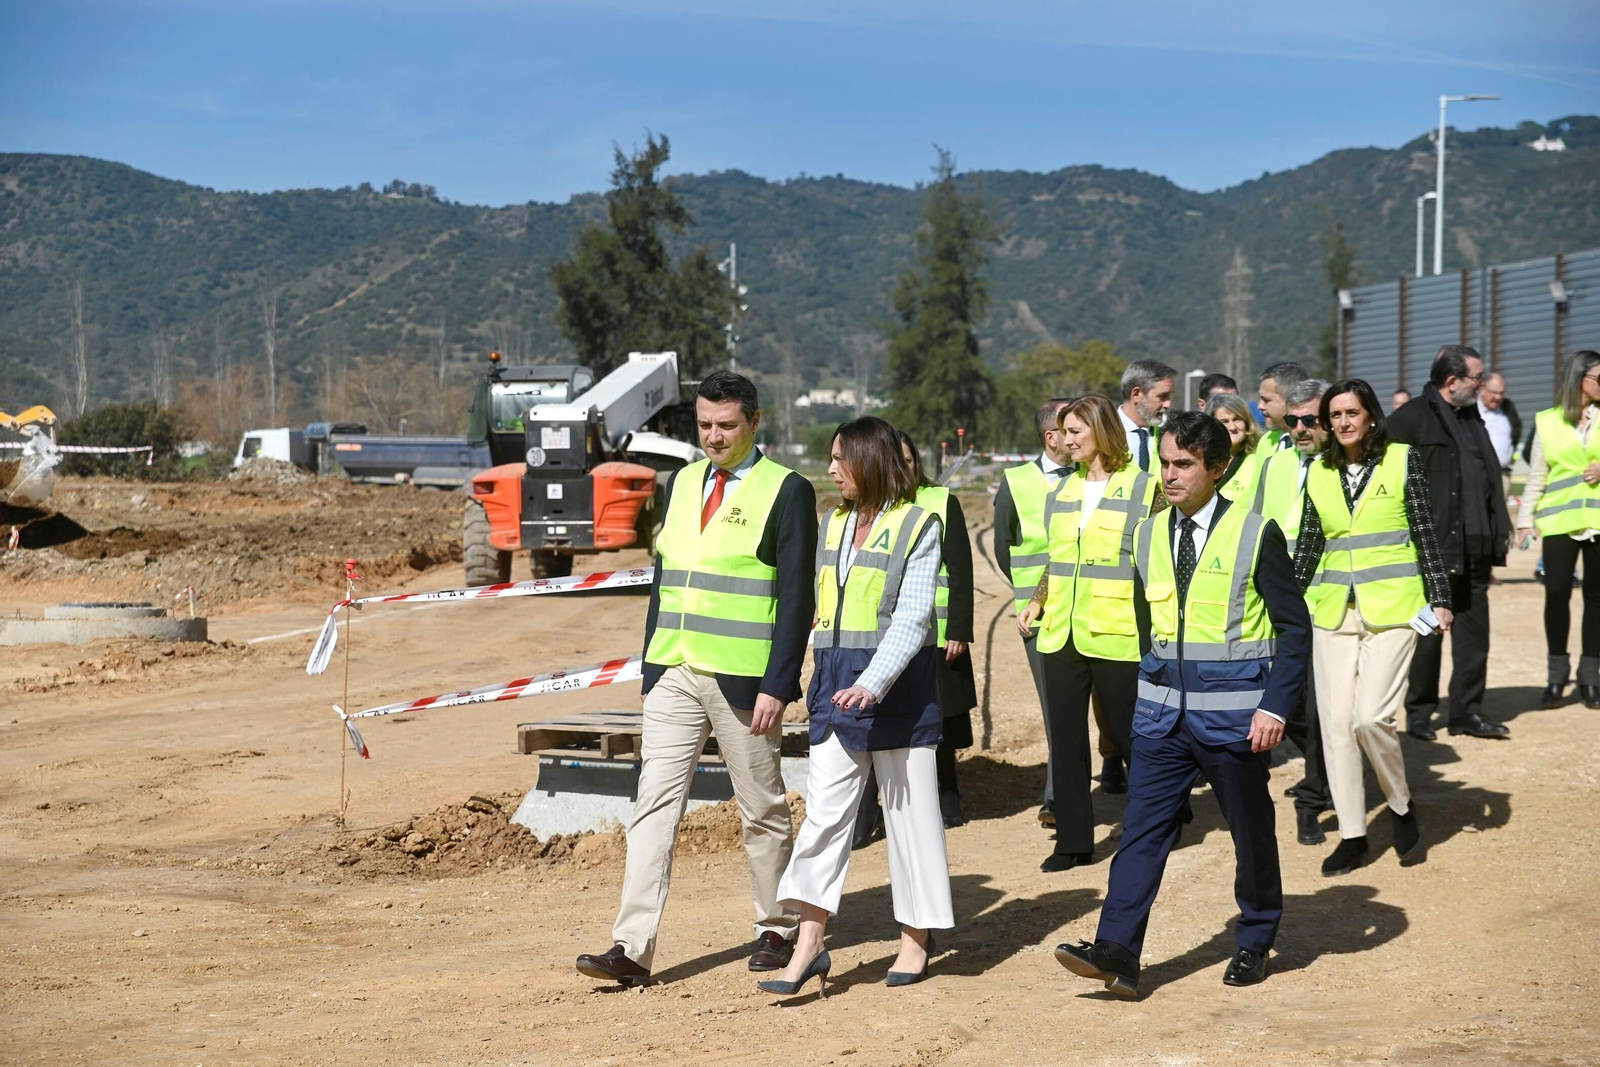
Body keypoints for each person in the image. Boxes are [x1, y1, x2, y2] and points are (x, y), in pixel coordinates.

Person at [1054, 412, 1311, 998]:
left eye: (1184, 465)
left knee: (1250, 832)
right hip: (1161, 719)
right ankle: (1117, 951)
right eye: (1165, 463)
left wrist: (1274, 708)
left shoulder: (1255, 533)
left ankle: (1255, 939)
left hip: (1236, 719)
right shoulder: (1147, 535)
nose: (1169, 475)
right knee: (1141, 832)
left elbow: (1295, 629)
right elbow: (1150, 625)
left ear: (1217, 469)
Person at [577, 370, 817, 987]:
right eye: (704, 424)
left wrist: (779, 684)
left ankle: (779, 928)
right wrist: (651, 666)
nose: (713, 436)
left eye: (726, 425)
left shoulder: (787, 490)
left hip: (744, 681)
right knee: (652, 806)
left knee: (761, 808)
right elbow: (667, 578)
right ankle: (631, 946)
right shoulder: (682, 482)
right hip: (675, 671)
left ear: (754, 422)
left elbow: (796, 598)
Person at [761, 416, 952, 997]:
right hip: (835, 690)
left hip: (898, 693)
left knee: (912, 821)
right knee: (823, 818)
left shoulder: (919, 524)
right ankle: (809, 944)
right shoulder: (833, 523)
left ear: (869, 460)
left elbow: (913, 617)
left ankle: (916, 939)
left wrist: (873, 683)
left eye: (840, 458)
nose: (831, 469)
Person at [1293, 379, 1453, 876]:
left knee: (1370, 719)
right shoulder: (1318, 471)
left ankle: (1400, 805)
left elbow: (1425, 532)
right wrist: (1285, 605)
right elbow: (1309, 545)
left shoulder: (1402, 460)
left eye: (1351, 412)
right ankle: (1352, 835)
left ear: (1371, 416)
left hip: (1395, 610)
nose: (1343, 422)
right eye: (1334, 415)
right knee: (1336, 725)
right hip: (1333, 612)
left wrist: (1440, 598)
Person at [1019, 395, 1160, 872]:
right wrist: (1038, 598)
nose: (1066, 440)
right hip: (1061, 632)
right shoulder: (1063, 490)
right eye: (1063, 431)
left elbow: (1160, 559)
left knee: (1126, 735)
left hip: (1118, 631)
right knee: (1066, 740)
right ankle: (1073, 842)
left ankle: (1158, 817)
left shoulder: (1145, 488)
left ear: (1101, 431)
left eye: (1076, 431)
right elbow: (1058, 558)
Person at [853, 430, 976, 836]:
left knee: (939, 718)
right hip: (882, 632)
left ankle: (947, 797)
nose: (903, 468)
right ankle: (871, 812)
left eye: (908, 460)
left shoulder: (940, 501)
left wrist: (959, 628)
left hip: (935, 632)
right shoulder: (871, 507)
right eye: (896, 461)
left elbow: (961, 569)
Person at [1388, 346, 1513, 741]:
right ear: (1452, 381)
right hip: (1435, 548)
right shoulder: (1411, 419)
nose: (1482, 384)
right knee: (1428, 636)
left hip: (1475, 545)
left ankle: (1466, 712)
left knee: (1475, 638)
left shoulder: (1471, 416)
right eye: (1477, 377)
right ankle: (1420, 713)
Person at [1250, 377, 1333, 846]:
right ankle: (1329, 772)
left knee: (1321, 707)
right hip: (1281, 604)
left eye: (1311, 420)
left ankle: (1313, 797)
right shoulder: (1275, 464)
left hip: (1330, 603)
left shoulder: (1343, 467)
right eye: (1295, 420)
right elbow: (1257, 525)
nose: (1301, 428)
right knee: (1293, 703)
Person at [993, 399, 1073, 826]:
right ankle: (1057, 799)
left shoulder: (1095, 477)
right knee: (1056, 708)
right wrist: (1030, 593)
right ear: (1051, 436)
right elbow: (1003, 547)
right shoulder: (1016, 481)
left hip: (1094, 609)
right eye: (1071, 426)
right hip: (1038, 616)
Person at [1516, 350, 1600, 710]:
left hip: (1598, 521)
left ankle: (1590, 678)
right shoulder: (1547, 421)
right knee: (1556, 594)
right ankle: (1556, 675)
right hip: (1558, 522)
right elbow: (1537, 476)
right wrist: (1525, 521)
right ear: (1579, 378)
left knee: (1596, 599)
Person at [1118, 359, 1177, 472]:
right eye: (1162, 396)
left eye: (1169, 396)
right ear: (1137, 394)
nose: (1168, 404)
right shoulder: (1101, 434)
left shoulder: (1167, 435)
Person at [1209, 392, 1265, 505]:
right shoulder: (1202, 460)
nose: (1232, 427)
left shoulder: (1259, 459)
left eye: (1237, 419)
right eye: (1224, 421)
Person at [1478, 372, 1517, 503]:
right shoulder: (1471, 409)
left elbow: (1516, 431)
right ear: (1482, 388)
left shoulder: (1507, 408)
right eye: (1494, 392)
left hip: (1503, 475)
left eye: (1502, 393)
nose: (1498, 397)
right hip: (1481, 475)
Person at [1258, 362, 1310, 453]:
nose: (1260, 406)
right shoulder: (1266, 440)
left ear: (1292, 400)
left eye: (1266, 400)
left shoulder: (1315, 441)